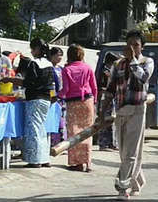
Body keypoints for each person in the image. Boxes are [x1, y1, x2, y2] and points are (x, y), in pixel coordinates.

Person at [99, 30, 154, 200]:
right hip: (121, 110)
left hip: (137, 109)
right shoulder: (117, 65)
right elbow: (110, 90)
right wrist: (101, 113)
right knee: (124, 152)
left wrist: (133, 61)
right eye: (129, 44)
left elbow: (143, 78)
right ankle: (137, 181)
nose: (132, 47)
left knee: (131, 151)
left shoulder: (147, 62)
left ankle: (123, 187)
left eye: (136, 44)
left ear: (141, 47)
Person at [1, 38, 55, 168]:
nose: (32, 51)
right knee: (41, 129)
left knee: (33, 130)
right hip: (46, 100)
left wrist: (10, 79)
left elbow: (28, 83)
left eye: (33, 48)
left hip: (35, 99)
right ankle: (44, 158)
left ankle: (35, 160)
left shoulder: (34, 64)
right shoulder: (49, 64)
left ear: (37, 49)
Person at [58, 44, 98, 172]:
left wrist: (57, 96)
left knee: (73, 131)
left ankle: (77, 162)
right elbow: (94, 87)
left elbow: (66, 89)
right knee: (87, 131)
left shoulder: (67, 70)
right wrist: (95, 101)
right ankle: (87, 162)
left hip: (73, 102)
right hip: (88, 101)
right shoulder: (88, 68)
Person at [97, 52, 119, 151]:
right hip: (105, 98)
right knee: (104, 120)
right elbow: (101, 88)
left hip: (112, 98)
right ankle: (102, 143)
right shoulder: (104, 72)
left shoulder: (112, 72)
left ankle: (112, 143)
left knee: (112, 121)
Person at [49, 47, 66, 147]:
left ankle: (61, 142)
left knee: (62, 121)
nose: (60, 57)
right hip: (53, 98)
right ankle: (53, 142)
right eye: (58, 55)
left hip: (62, 98)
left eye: (61, 55)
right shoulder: (49, 68)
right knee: (54, 120)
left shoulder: (61, 69)